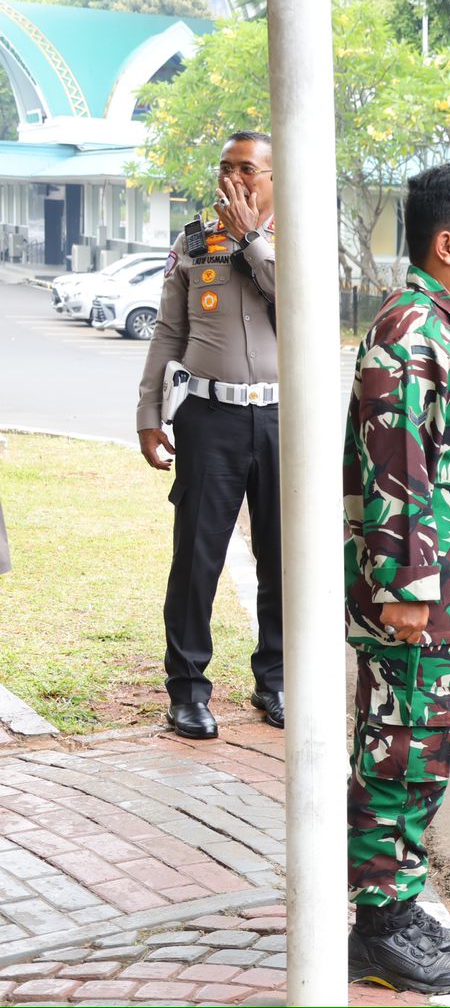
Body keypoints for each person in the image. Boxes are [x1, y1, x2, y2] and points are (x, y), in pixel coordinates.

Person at [345, 162, 450, 994]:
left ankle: (399, 903)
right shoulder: (411, 330)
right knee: (398, 752)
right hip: (421, 601)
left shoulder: (449, 325)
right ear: (448, 245)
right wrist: (406, 590)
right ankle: (377, 926)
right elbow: (396, 470)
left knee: (426, 752)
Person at [135, 130, 282, 740]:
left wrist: (252, 240)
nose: (233, 179)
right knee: (196, 557)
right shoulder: (194, 242)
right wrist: (149, 412)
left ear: (275, 177)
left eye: (246, 168)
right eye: (225, 166)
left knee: (282, 556)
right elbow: (169, 332)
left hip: (281, 420)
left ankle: (275, 680)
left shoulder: (296, 239)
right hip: (207, 416)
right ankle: (188, 690)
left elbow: (300, 306)